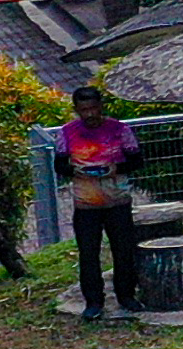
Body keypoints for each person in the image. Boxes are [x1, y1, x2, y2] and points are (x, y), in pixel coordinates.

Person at [59, 81, 141, 319]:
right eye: (84, 110)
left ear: (101, 107)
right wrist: (76, 170)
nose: (90, 114)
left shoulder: (120, 129)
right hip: (86, 204)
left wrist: (115, 168)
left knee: (123, 251)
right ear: (77, 110)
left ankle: (126, 295)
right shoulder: (67, 133)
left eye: (94, 108)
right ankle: (93, 302)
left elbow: (137, 161)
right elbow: (59, 165)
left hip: (117, 200)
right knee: (88, 254)